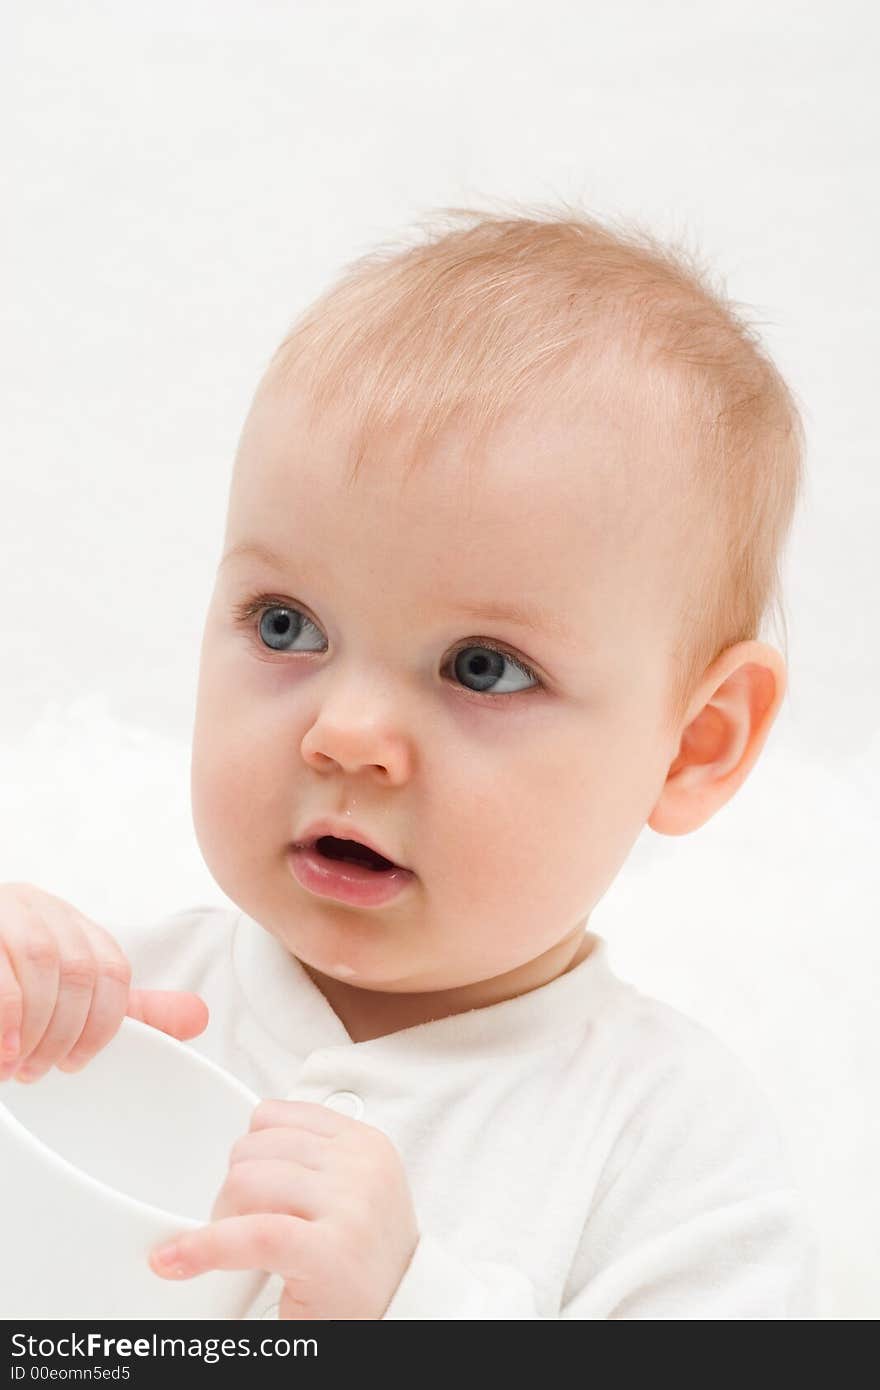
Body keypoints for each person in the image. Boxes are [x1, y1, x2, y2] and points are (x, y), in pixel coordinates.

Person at [0, 204, 819, 1318]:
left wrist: (404, 1303)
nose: (344, 735)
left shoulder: (671, 1152)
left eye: (480, 667)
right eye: (286, 624)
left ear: (695, 743)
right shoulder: (103, 1012)